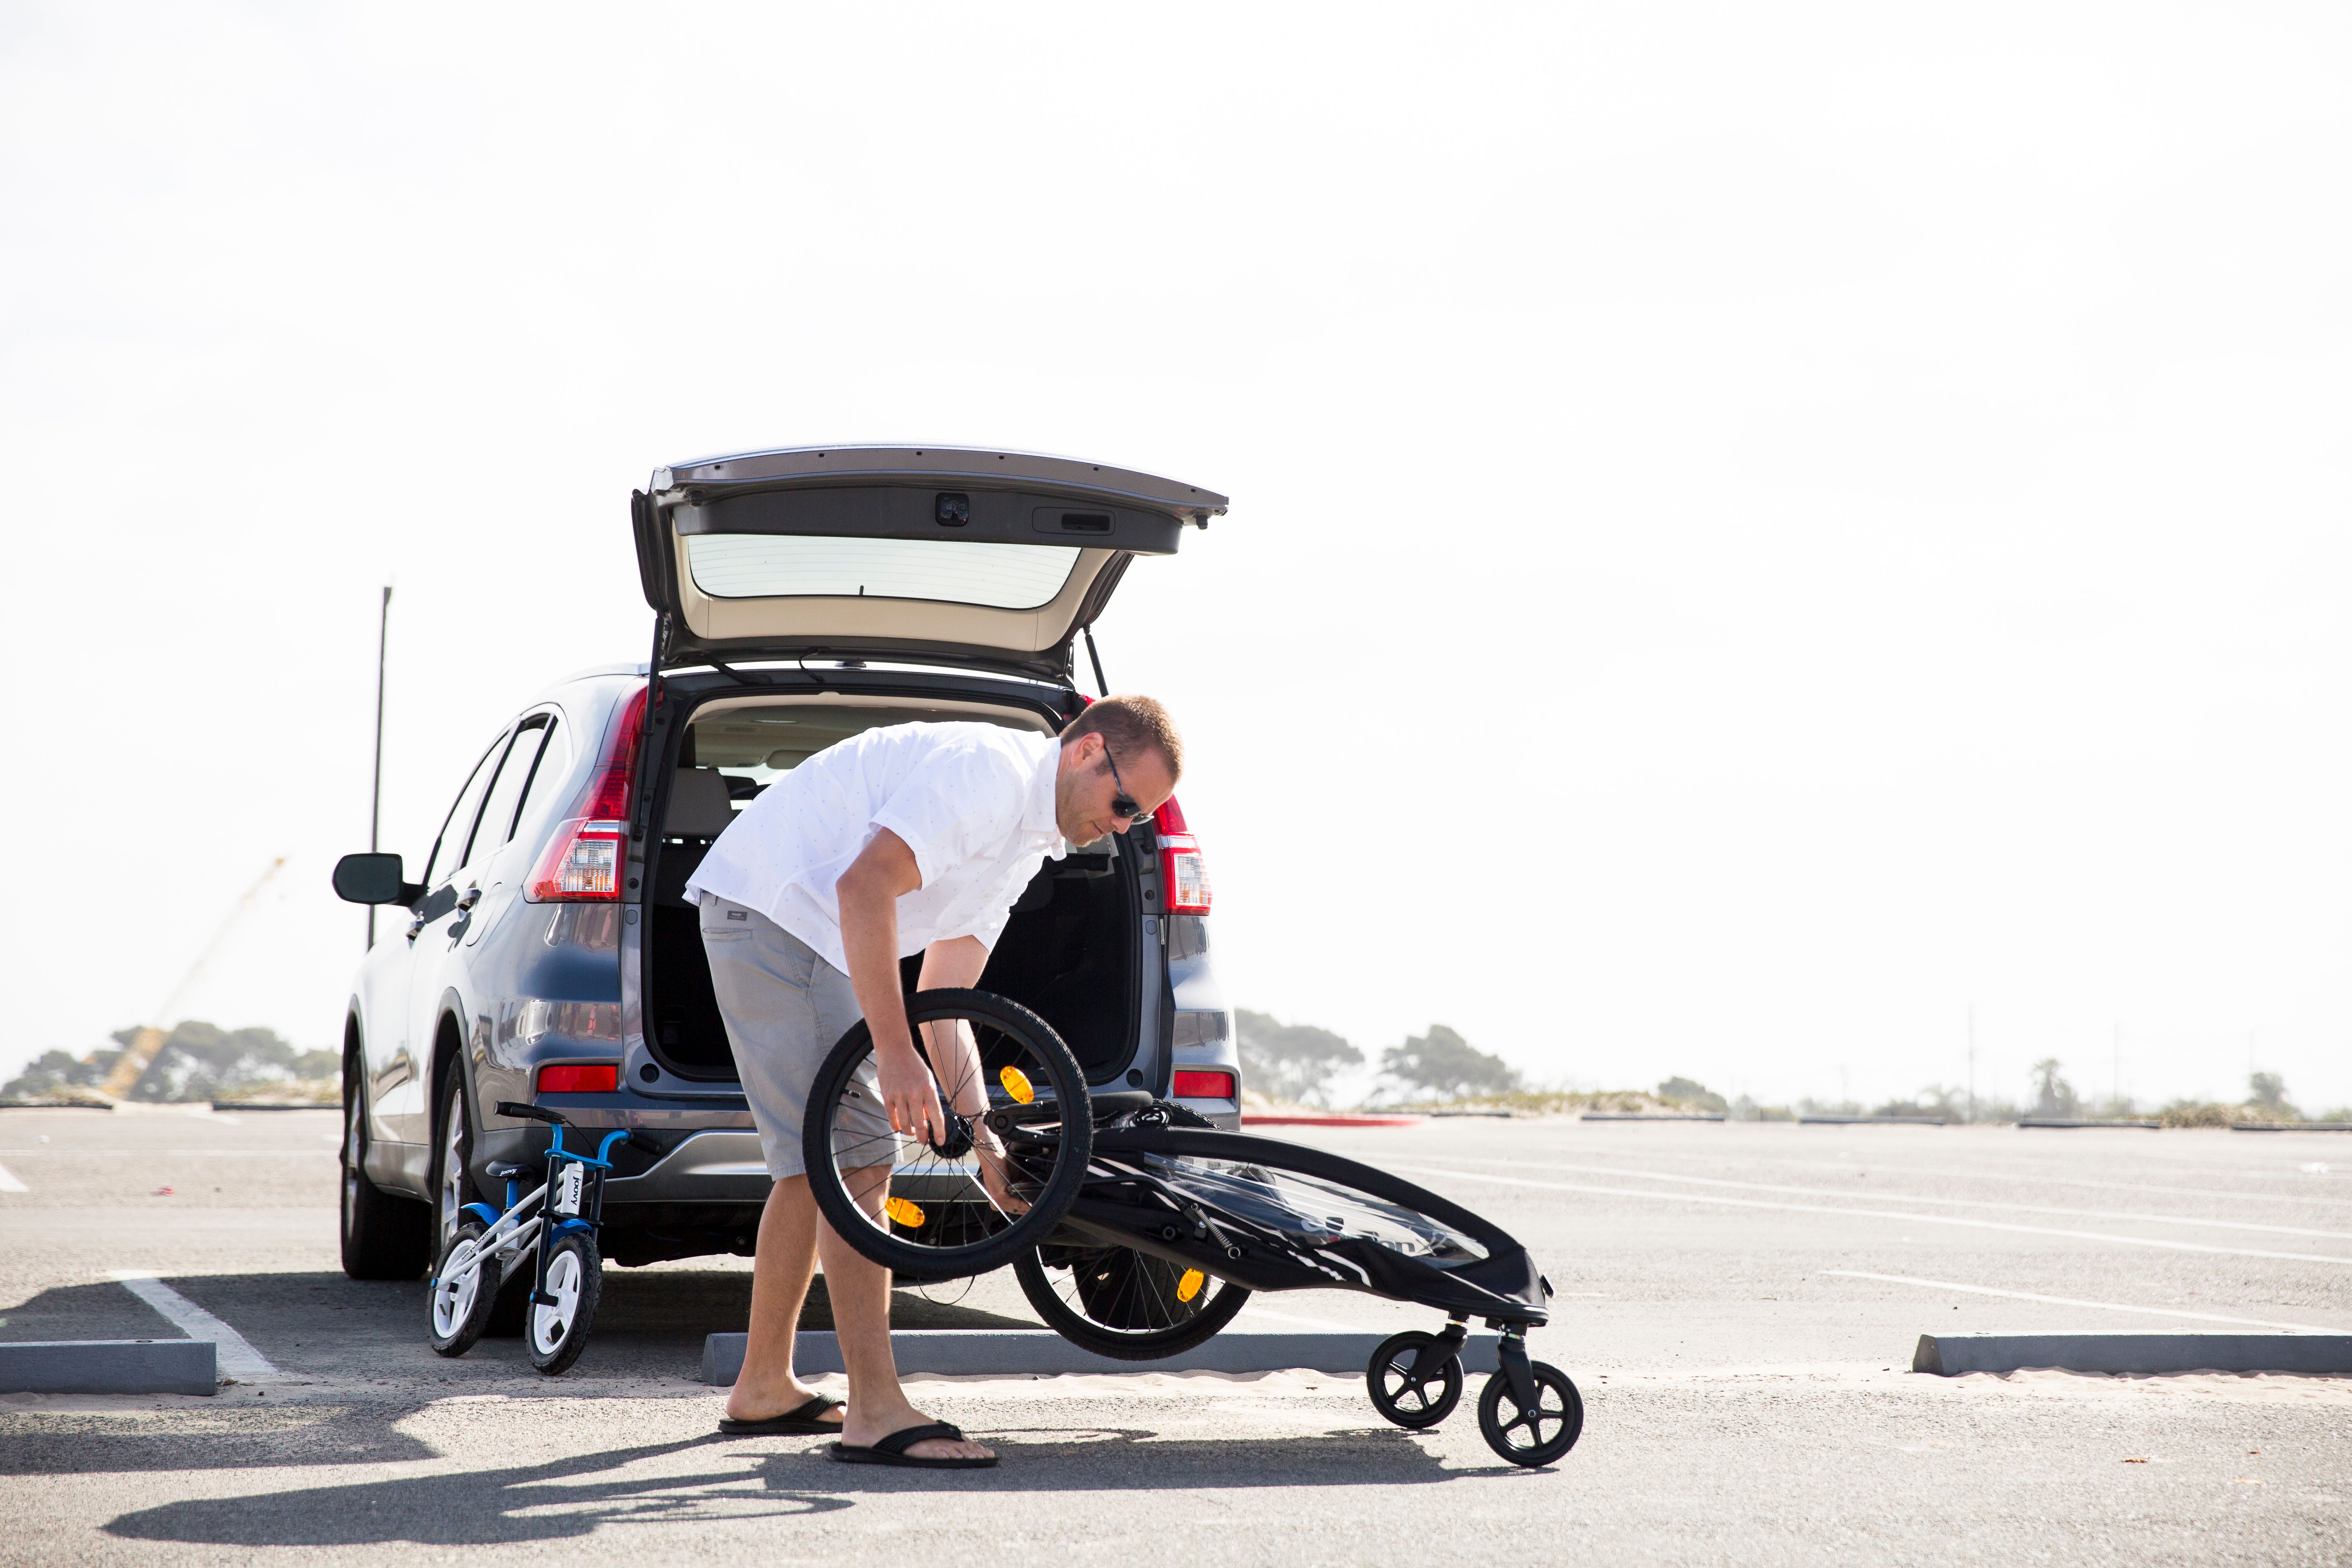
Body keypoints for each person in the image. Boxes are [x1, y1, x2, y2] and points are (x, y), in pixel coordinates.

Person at [684, 694, 1184, 1468]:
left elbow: (945, 1003)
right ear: (1086, 753)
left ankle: (763, 1387)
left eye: (1140, 819)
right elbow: (863, 887)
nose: (1124, 826)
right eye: (1125, 804)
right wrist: (892, 1055)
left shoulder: (1027, 842)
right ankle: (876, 1409)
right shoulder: (989, 776)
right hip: (779, 913)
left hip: (800, 924)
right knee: (856, 1161)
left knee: (811, 1167)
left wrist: (989, 1151)